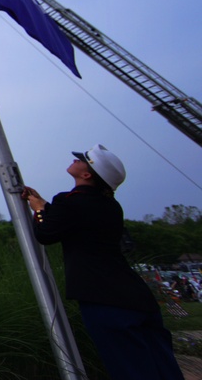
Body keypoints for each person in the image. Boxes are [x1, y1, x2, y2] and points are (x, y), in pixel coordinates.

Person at [22, 144, 184, 380]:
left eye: (82, 161)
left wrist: (38, 211)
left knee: (130, 368)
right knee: (162, 366)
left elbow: (46, 233)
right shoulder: (111, 206)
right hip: (138, 297)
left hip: (103, 298)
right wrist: (46, 207)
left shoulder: (69, 201)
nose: (75, 161)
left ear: (87, 174)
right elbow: (77, 222)